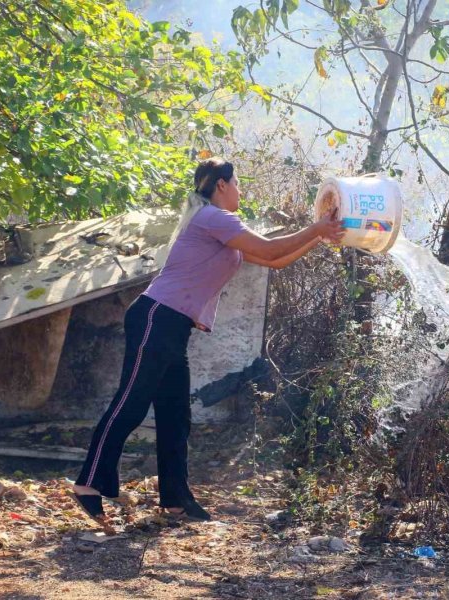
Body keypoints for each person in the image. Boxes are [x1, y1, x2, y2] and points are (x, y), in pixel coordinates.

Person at [72, 157, 345, 532]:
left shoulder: (219, 227)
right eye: (236, 184)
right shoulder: (214, 218)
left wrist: (317, 236)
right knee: (131, 402)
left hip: (173, 326)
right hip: (155, 317)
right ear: (220, 185)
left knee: (175, 415)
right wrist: (315, 227)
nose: (240, 191)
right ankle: (89, 482)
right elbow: (268, 249)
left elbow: (274, 261)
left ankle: (175, 500)